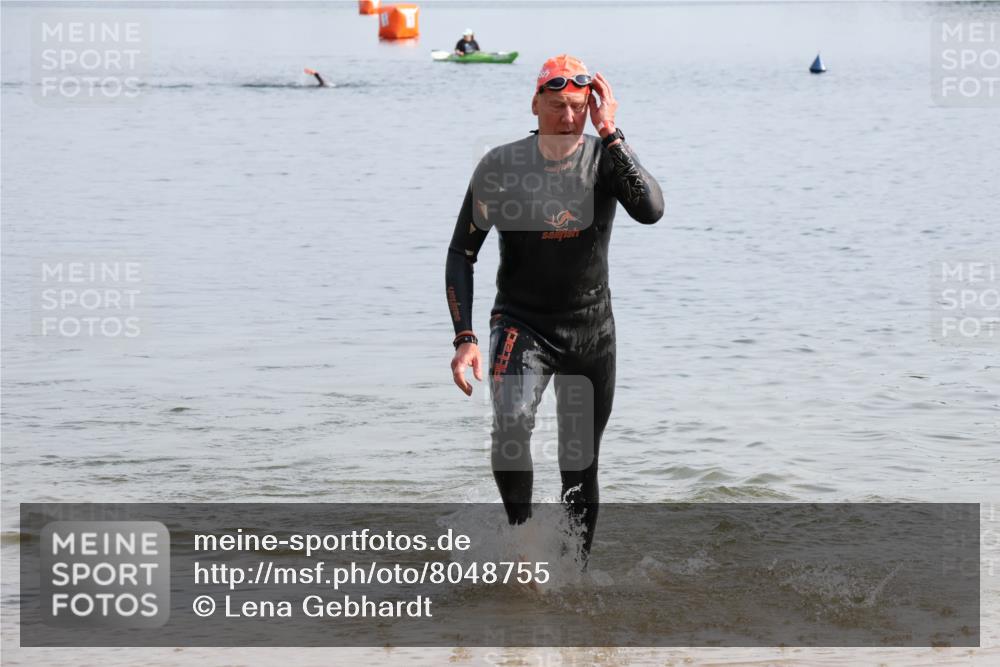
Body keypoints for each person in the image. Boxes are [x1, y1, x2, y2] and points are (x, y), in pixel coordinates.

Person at [445, 54, 664, 560]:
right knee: (511, 424)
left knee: (579, 464)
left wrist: (612, 133)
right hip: (523, 323)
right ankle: (521, 541)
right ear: (536, 103)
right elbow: (463, 252)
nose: (569, 117)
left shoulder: (605, 157)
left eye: (579, 107)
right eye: (558, 105)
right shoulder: (501, 166)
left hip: (591, 331)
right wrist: (465, 337)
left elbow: (650, 210)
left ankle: (575, 577)